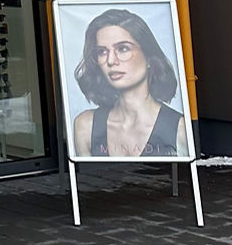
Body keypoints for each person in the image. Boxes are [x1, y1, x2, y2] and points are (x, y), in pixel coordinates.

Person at [71, 8, 188, 158]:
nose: (111, 61)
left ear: (149, 57)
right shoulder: (85, 125)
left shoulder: (180, 128)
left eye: (123, 48)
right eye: (102, 51)